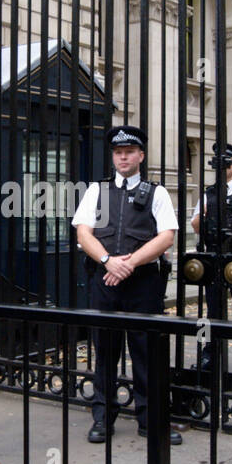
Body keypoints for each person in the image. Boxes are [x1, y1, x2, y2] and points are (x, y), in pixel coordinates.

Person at [71, 124, 181, 445]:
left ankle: (151, 420)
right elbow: (82, 233)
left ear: (140, 156)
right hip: (105, 280)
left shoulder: (156, 192)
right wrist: (109, 262)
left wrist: (129, 263)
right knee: (105, 351)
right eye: (118, 153)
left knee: (146, 353)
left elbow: (166, 237)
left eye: (129, 152)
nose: (123, 157)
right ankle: (103, 418)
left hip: (143, 282)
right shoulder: (97, 191)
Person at [190, 142, 232, 376]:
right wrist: (204, 215)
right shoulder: (208, 193)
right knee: (211, 313)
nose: (223, 168)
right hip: (213, 256)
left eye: (227, 164)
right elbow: (195, 225)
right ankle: (209, 354)